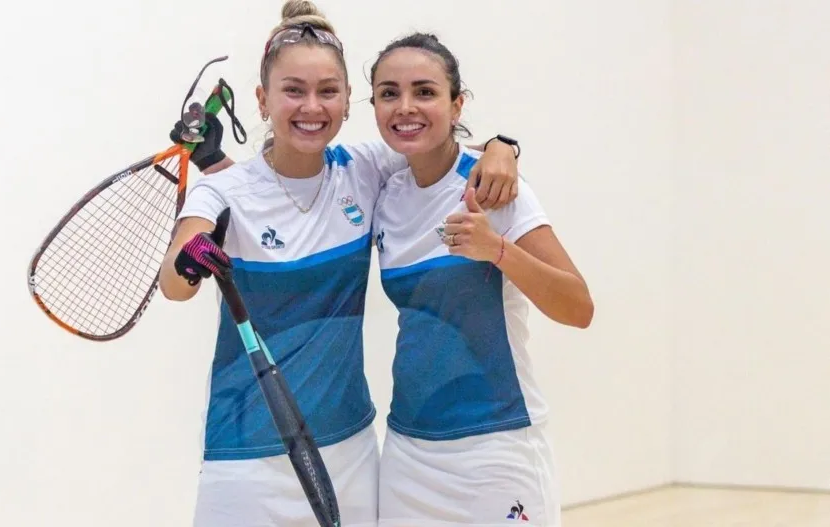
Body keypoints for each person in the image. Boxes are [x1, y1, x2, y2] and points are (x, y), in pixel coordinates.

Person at [158, 2, 524, 526]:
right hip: (245, 454)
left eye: (327, 91)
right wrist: (189, 258)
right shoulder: (222, 191)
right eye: (293, 90)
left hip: (351, 451)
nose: (312, 106)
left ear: (348, 102)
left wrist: (502, 146)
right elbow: (175, 281)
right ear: (263, 100)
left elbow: (437, 138)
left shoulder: (365, 171)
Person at [369, 32, 595, 526]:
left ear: (456, 104)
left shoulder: (496, 187)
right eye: (389, 93)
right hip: (409, 451)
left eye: (425, 92)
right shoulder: (383, 192)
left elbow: (578, 307)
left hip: (498, 444)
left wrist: (495, 250)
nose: (406, 106)